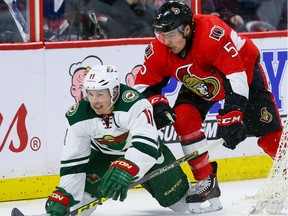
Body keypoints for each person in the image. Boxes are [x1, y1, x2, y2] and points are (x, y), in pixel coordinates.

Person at [133, 0, 283, 213]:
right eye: (160, 34)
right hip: (200, 79)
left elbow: (236, 75)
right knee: (183, 117)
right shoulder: (159, 48)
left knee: (269, 136)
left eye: (170, 35)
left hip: (244, 72)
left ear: (186, 29)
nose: (164, 41)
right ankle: (206, 182)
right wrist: (157, 105)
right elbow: (142, 87)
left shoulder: (211, 33)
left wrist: (232, 114)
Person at [45, 64, 200, 216]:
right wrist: (66, 194)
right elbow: (74, 161)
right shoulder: (78, 116)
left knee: (182, 205)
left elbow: (146, 142)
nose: (94, 101)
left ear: (115, 91)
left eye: (100, 94)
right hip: (104, 156)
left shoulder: (134, 103)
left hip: (147, 156)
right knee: (77, 206)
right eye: (90, 94)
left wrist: (128, 167)